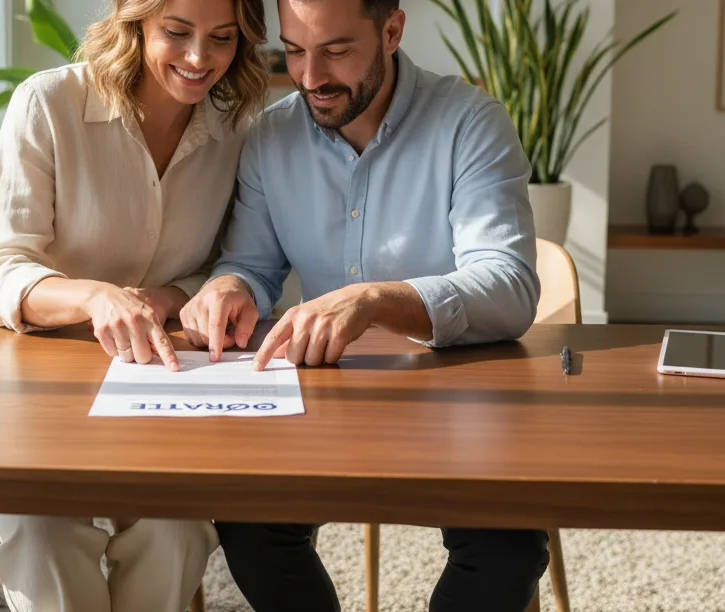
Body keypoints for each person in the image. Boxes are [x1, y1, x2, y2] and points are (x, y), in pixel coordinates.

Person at [179, 0, 549, 610]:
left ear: (392, 31)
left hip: (456, 398)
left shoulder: (470, 123)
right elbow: (251, 265)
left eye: (337, 50)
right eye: (294, 50)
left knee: (507, 547)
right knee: (247, 524)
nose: (309, 76)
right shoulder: (270, 135)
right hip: (324, 401)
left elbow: (508, 283)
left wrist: (375, 300)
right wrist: (229, 287)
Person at [0, 0, 268, 610]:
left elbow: (231, 264)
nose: (198, 58)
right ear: (134, 24)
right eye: (177, 33)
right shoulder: (48, 103)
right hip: (39, 396)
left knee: (176, 529)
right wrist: (93, 297)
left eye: (222, 39)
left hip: (169, 389)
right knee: (42, 534)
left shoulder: (237, 130)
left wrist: (170, 296)